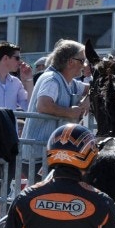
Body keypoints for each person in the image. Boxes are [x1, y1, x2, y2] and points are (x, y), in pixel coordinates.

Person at [23, 40, 90, 168]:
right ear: (70, 61)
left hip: (50, 153)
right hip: (39, 156)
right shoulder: (52, 79)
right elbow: (43, 105)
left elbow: (93, 88)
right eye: (82, 61)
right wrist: (70, 112)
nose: (84, 65)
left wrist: (89, 98)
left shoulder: (68, 81)